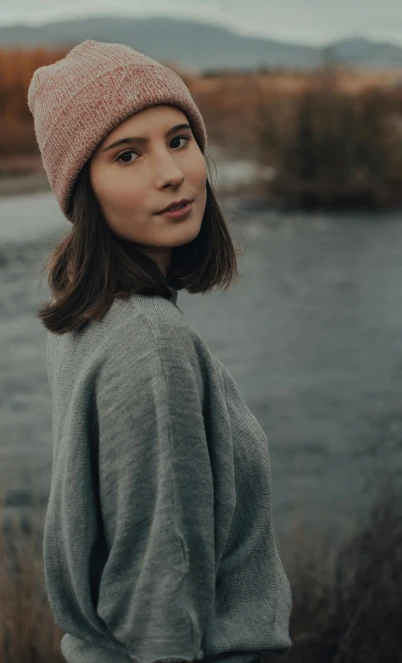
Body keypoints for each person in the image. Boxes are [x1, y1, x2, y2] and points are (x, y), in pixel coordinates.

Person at [27, 40, 292, 663]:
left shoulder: (83, 314)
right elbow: (160, 607)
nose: (171, 172)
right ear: (82, 188)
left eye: (178, 139)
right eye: (127, 155)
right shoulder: (149, 342)